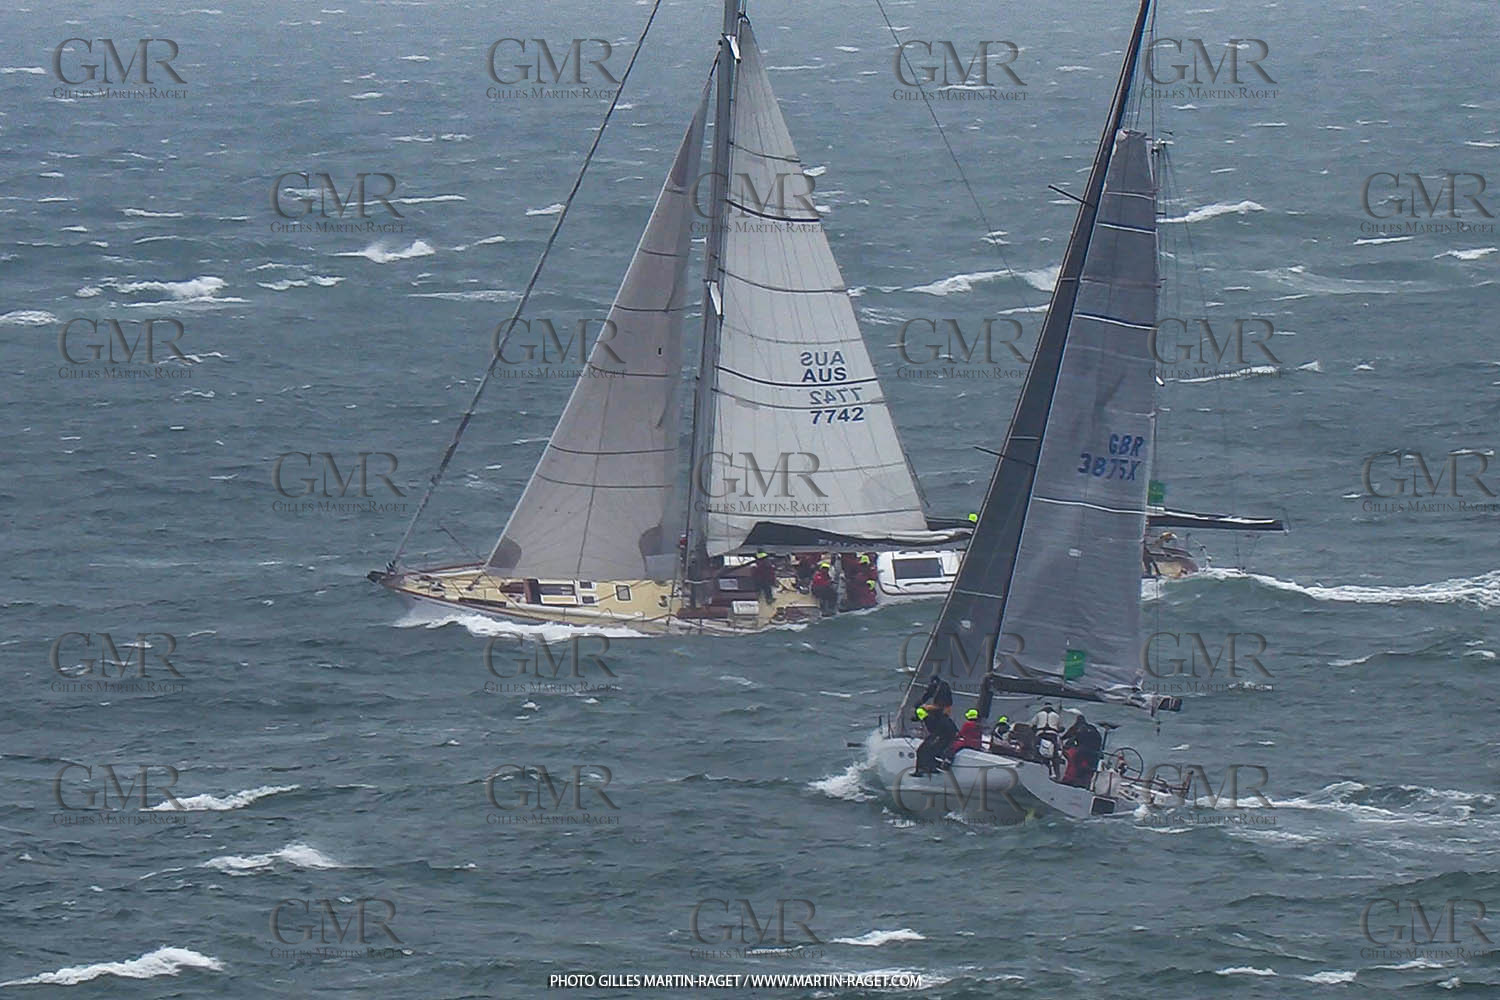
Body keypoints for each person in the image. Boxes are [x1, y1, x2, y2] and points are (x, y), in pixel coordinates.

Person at [1060, 713, 1104, 787]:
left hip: (1083, 751)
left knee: (1072, 760)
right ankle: (1086, 783)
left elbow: (1069, 736)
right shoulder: (1092, 728)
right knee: (1090, 767)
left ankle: (1070, 779)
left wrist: (1062, 739)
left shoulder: (1078, 727)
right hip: (1096, 753)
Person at [913, 704, 958, 777]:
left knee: (922, 750)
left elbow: (936, 729)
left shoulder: (930, 717)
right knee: (930, 750)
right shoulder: (941, 717)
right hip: (944, 736)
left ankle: (922, 770)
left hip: (940, 736)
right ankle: (931, 768)